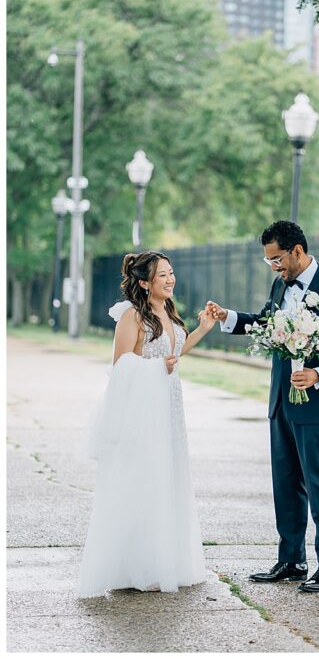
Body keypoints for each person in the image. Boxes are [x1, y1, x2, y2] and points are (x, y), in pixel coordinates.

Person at [205, 220, 319, 593]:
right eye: (268, 261)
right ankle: (292, 560)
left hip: (318, 405)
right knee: (286, 484)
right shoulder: (280, 285)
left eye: (277, 259)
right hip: (281, 402)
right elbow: (265, 324)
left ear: (296, 251)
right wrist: (227, 317)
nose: (274, 267)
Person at [78, 251, 217, 597]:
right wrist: (157, 370)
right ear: (143, 283)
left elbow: (174, 353)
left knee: (168, 479)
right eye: (162, 276)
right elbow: (121, 366)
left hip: (170, 411)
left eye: (171, 273)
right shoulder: (131, 317)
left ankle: (167, 561)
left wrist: (202, 329)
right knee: (144, 482)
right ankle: (137, 566)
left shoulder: (168, 311)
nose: (170, 280)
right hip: (142, 414)